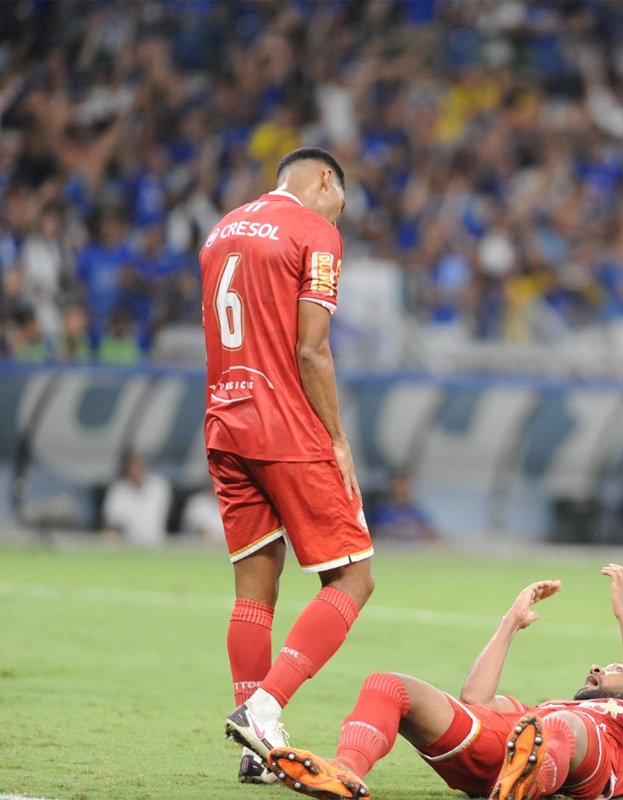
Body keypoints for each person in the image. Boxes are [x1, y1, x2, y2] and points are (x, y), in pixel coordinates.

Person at [200, 146, 375, 784]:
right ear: (325, 180)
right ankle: (264, 706)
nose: (340, 216)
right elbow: (311, 348)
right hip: (285, 426)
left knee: (254, 591)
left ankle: (258, 748)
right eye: (341, 202)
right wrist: (337, 438)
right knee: (354, 580)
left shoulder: (222, 230)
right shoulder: (315, 230)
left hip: (224, 419)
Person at [266, 564, 623, 800]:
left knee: (555, 729)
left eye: (614, 666)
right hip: (521, 748)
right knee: (388, 685)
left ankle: (525, 784)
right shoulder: (547, 710)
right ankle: (346, 771)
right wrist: (510, 623)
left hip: (584, 763)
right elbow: (475, 701)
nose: (597, 667)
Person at [101, 448, 171, 546]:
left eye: (137, 465)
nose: (135, 470)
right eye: (131, 466)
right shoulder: (118, 491)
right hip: (128, 547)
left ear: (144, 466)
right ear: (126, 468)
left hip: (155, 544)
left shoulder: (159, 487)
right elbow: (111, 524)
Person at [366, 467, 438, 545]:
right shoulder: (381, 512)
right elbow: (370, 536)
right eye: (399, 484)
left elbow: (432, 537)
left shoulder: (416, 512)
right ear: (392, 486)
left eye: (405, 485)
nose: (402, 489)